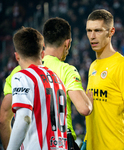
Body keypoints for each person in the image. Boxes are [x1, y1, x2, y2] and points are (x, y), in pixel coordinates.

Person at [0, 17, 93, 150]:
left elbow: (4, 119)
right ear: (67, 43)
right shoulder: (62, 72)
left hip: (32, 142)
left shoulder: (18, 73)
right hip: (63, 142)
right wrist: (89, 102)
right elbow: (84, 108)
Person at [81, 9, 124, 150]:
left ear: (111, 31)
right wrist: (86, 139)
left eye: (98, 30)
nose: (92, 36)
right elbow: (94, 110)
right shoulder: (93, 66)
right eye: (89, 31)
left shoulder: (123, 66)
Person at [6, 27, 68, 149]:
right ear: (42, 54)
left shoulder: (22, 77)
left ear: (17, 56)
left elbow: (24, 118)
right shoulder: (57, 79)